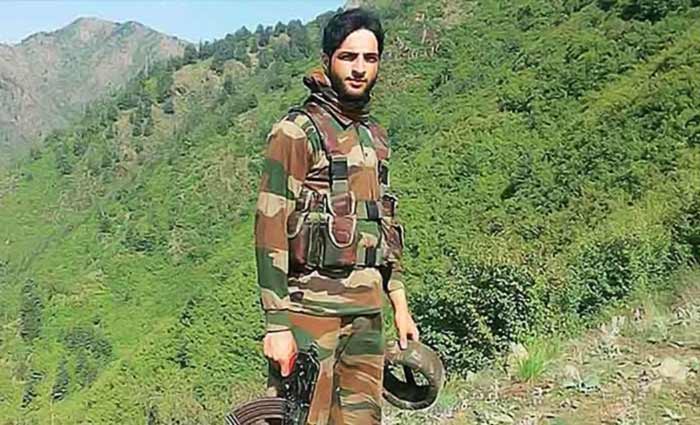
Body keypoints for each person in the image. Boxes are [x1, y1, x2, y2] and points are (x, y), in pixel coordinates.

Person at [254, 7, 419, 424]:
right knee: (300, 418)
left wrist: (399, 304)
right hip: (310, 314)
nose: (359, 68)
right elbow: (270, 228)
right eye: (348, 57)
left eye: (370, 58)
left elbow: (383, 223)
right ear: (328, 59)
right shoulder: (296, 132)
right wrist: (277, 325)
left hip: (367, 315)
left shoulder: (373, 135)